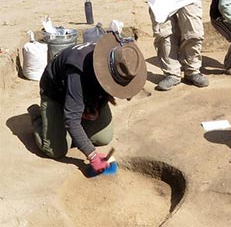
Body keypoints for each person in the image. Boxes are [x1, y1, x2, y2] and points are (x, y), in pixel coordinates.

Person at [28, 33, 147, 174]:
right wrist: (92, 155)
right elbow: (72, 120)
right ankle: (38, 116)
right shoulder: (77, 69)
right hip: (56, 94)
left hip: (82, 92)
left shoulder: (118, 59)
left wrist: (97, 107)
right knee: (56, 149)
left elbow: (106, 89)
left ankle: (70, 122)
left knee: (103, 137)